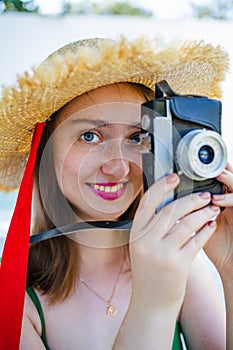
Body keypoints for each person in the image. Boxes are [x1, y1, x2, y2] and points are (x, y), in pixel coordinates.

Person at [0, 36, 232, 350]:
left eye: (137, 138)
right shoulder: (15, 298)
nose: (119, 169)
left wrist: (231, 268)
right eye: (90, 135)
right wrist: (154, 301)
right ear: (44, 152)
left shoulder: (182, 264)